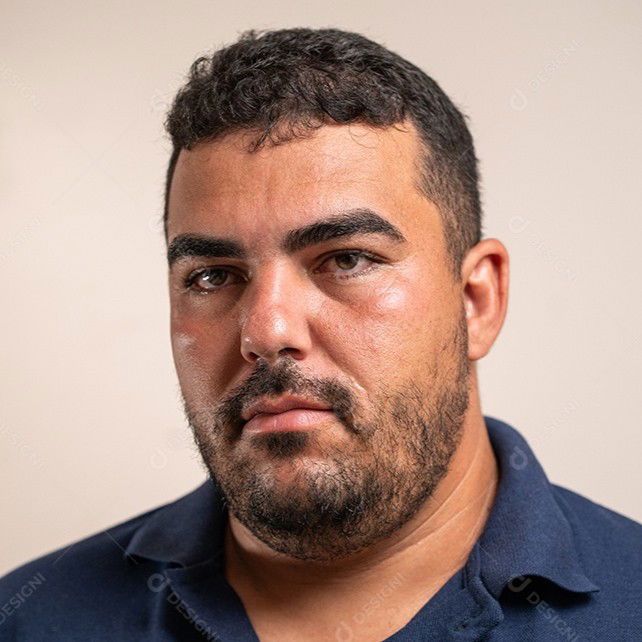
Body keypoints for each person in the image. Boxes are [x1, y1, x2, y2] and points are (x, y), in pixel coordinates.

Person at [1, 27, 641, 642]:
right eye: (213, 276)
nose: (267, 331)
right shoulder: (27, 621)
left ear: (477, 301)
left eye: (347, 259)